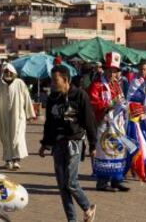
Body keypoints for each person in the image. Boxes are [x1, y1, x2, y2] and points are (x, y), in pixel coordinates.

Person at [39, 65, 97, 222]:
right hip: (58, 144)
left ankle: (87, 207)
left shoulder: (80, 96)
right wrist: (45, 144)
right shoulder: (52, 98)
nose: (52, 83)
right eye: (52, 79)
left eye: (55, 80)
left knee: (71, 182)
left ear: (65, 80)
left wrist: (93, 145)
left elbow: (89, 122)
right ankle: (72, 219)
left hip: (74, 142)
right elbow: (49, 123)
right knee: (62, 186)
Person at [88, 52, 130, 192]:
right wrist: (109, 104)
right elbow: (93, 102)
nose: (113, 74)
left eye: (115, 71)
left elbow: (122, 100)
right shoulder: (97, 85)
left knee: (118, 151)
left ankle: (117, 180)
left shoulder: (116, 85)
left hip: (117, 124)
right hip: (104, 124)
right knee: (105, 152)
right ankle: (102, 183)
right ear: (105, 70)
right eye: (111, 71)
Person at [0, 64, 35, 170]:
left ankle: (16, 160)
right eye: (6, 72)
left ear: (14, 73)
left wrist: (30, 114)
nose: (8, 74)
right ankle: (8, 160)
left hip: (18, 117)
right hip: (3, 117)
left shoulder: (20, 84)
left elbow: (27, 98)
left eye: (10, 72)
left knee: (17, 137)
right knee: (5, 138)